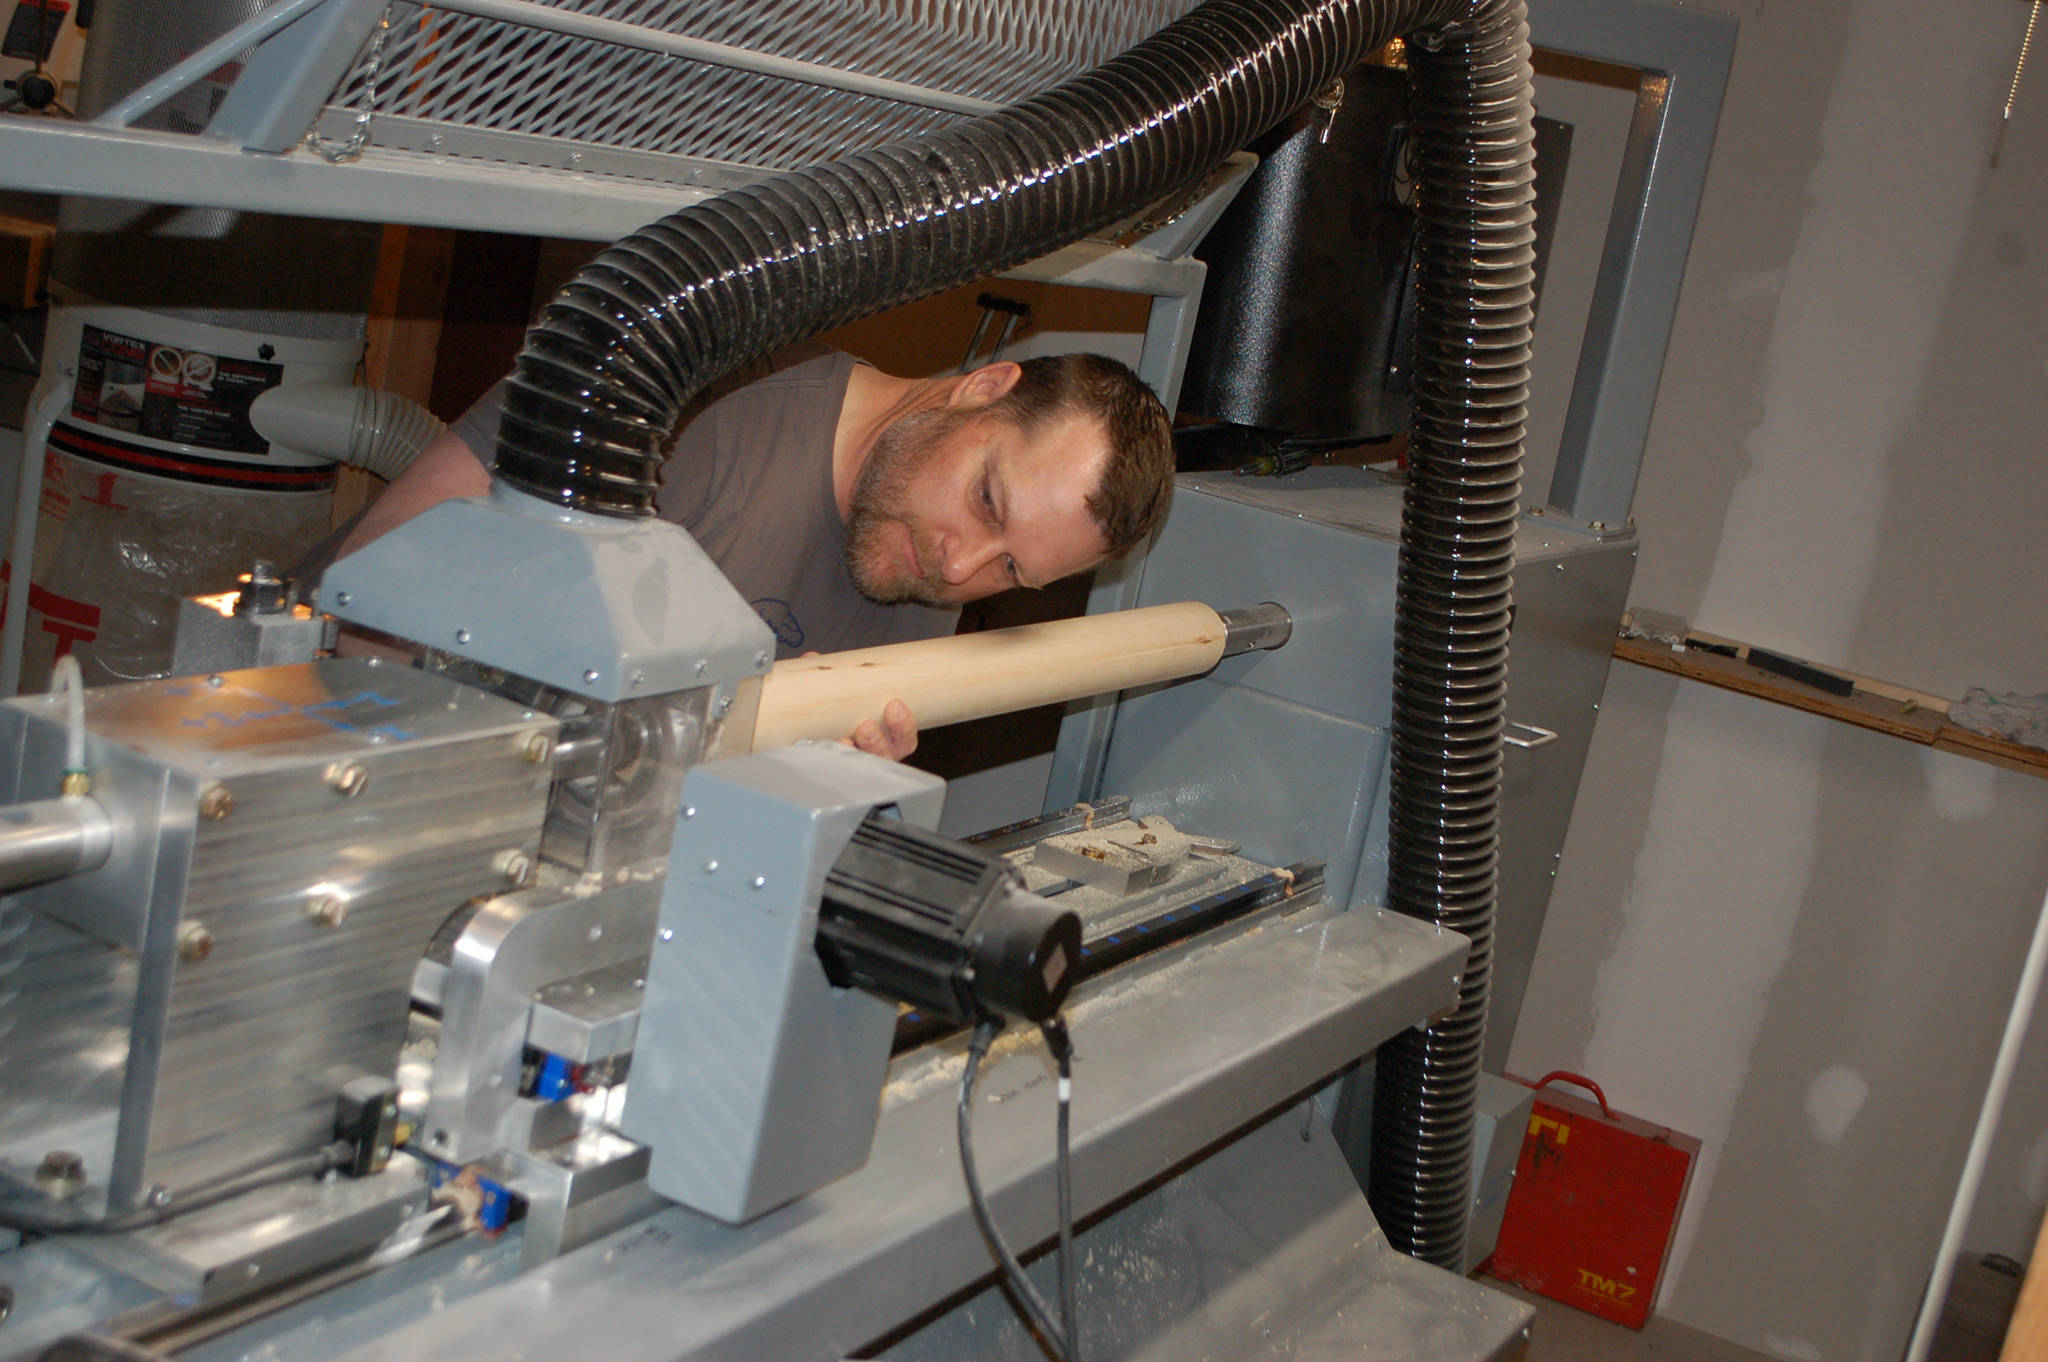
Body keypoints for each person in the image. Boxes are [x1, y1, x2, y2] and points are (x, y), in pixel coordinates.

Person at [335, 342, 1176, 760]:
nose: (961, 569)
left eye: (1012, 572)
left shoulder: (925, 562)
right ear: (983, 388)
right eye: (987, 500)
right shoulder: (694, 393)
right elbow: (363, 614)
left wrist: (821, 792)